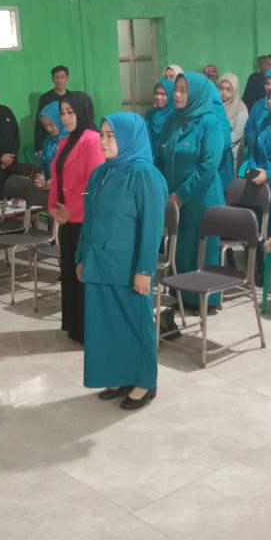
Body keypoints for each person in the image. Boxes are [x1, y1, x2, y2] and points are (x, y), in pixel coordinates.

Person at [78, 113, 168, 411]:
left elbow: (152, 227)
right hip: (100, 261)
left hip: (128, 266)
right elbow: (90, 219)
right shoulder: (101, 173)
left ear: (129, 138)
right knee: (108, 325)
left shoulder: (144, 174)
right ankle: (120, 375)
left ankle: (145, 381)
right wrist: (81, 256)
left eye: (111, 136)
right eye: (102, 134)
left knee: (135, 323)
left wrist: (145, 269)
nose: (103, 142)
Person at [159, 72, 226, 313]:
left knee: (202, 252)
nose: (176, 94)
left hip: (202, 199)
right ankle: (183, 296)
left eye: (183, 90)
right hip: (175, 199)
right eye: (176, 89)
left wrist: (181, 195)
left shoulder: (210, 122)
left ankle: (206, 301)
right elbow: (162, 156)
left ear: (196, 94)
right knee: (181, 249)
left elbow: (208, 166)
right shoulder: (174, 120)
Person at [48, 92, 104, 344]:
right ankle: (74, 325)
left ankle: (88, 330)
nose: (65, 118)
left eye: (70, 112)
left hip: (84, 220)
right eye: (62, 113)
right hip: (67, 219)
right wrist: (53, 207)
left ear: (82, 112)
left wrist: (71, 209)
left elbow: (93, 184)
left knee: (84, 275)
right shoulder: (65, 141)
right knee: (70, 274)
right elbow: (57, 176)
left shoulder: (92, 139)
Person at [34, 65, 70, 154]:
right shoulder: (45, 98)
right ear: (52, 79)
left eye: (62, 77)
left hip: (69, 139)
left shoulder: (72, 97)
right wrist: (39, 148)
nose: (59, 80)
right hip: (51, 142)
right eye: (56, 77)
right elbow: (39, 124)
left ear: (67, 78)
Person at [218, 73, 249, 166]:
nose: (224, 92)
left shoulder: (241, 109)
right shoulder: (216, 105)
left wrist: (216, 143)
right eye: (221, 88)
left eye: (228, 89)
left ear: (235, 90)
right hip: (214, 152)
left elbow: (236, 135)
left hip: (231, 154)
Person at [35, 100, 67, 186]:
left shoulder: (71, 140)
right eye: (45, 125)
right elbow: (42, 164)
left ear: (61, 120)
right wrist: (41, 177)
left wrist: (57, 180)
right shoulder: (48, 141)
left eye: (51, 124)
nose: (48, 129)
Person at [144, 80, 173, 167]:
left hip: (169, 160)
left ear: (170, 95)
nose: (158, 97)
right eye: (156, 93)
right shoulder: (150, 114)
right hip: (152, 159)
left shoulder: (175, 115)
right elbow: (146, 137)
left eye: (163, 94)